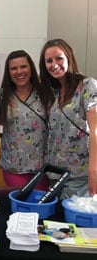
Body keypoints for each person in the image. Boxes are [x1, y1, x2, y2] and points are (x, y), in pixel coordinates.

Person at [39, 38, 97, 198]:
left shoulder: (87, 86)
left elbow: (95, 130)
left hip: (80, 175)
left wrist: (94, 171)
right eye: (49, 61)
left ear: (69, 58)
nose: (54, 64)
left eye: (59, 58)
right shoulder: (53, 92)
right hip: (55, 174)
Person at [0, 50, 49, 190]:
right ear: (8, 72)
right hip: (14, 167)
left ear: (31, 69)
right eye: (14, 68)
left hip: (43, 169)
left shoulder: (46, 93)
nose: (19, 71)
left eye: (23, 66)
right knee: (20, 207)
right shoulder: (2, 96)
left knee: (40, 207)